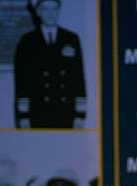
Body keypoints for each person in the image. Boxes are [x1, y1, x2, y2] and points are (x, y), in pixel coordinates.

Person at [14, 0, 86, 128]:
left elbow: (78, 78)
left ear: (59, 11)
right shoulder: (27, 41)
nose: (50, 13)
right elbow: (22, 81)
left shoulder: (71, 38)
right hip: (38, 112)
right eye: (45, 9)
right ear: (38, 12)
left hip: (66, 112)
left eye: (54, 9)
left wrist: (80, 114)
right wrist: (23, 116)